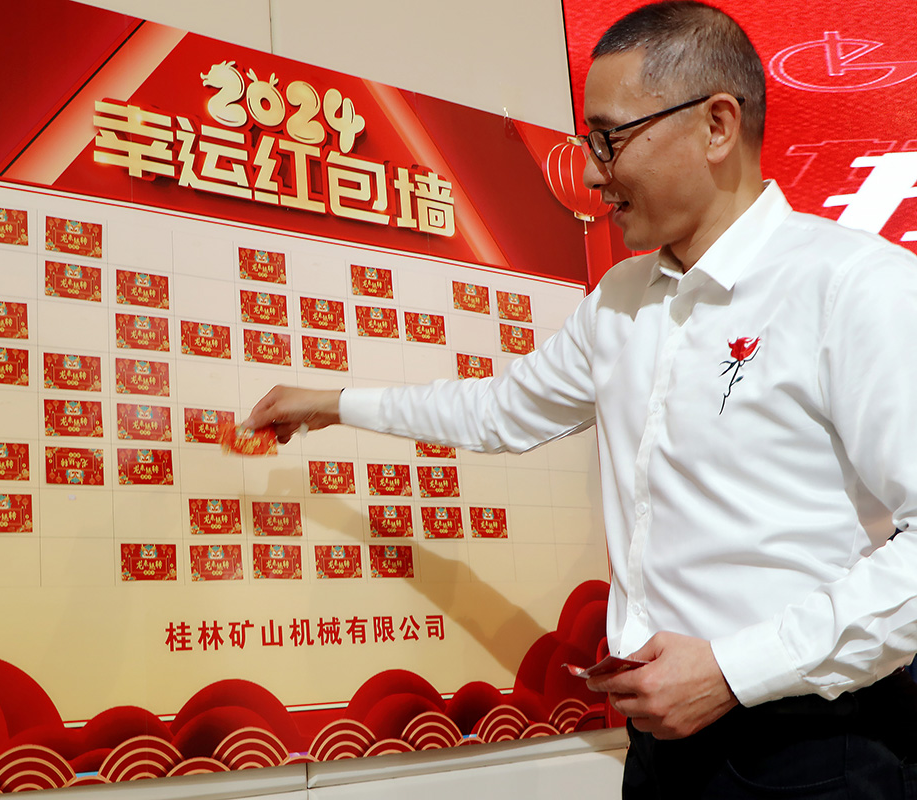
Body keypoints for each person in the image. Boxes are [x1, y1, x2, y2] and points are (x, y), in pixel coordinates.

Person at [243, 1, 917, 796]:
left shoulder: (855, 287)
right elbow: (497, 411)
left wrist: (734, 671)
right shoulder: (621, 301)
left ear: (716, 125)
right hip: (661, 748)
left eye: (610, 138)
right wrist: (330, 403)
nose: (594, 174)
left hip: (815, 751)